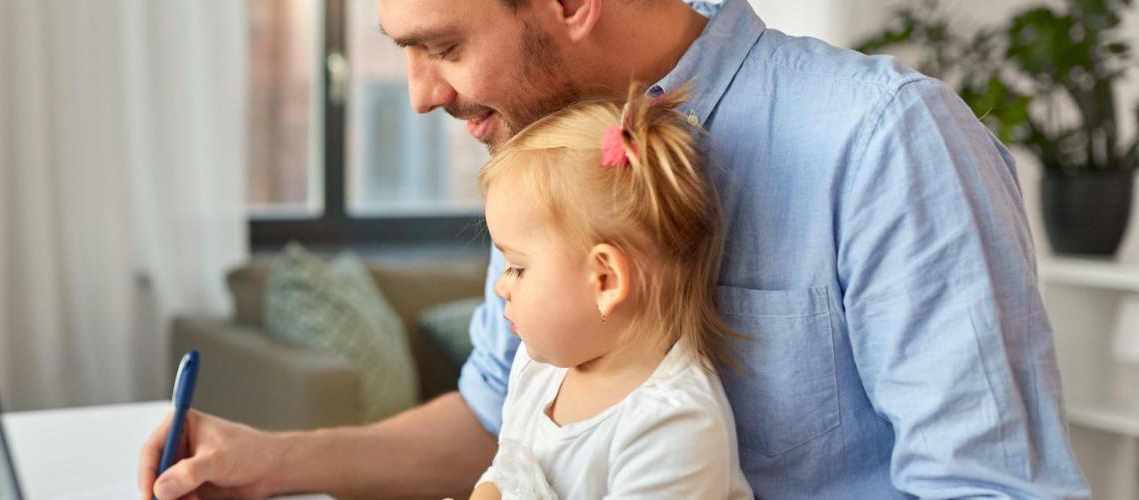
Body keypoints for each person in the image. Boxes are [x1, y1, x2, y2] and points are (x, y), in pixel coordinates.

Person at [140, 0, 1090, 498]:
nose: (420, 93)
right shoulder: (549, 153)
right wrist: (270, 465)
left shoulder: (885, 143)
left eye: (440, 45)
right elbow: (495, 417)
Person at [469, 85, 751, 499]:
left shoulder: (673, 425)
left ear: (606, 280)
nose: (501, 286)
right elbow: (506, 471)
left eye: (518, 267)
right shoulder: (541, 371)